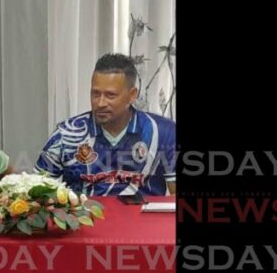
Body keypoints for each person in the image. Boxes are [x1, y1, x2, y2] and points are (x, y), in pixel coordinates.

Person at [36, 53, 176, 196]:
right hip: (84, 217)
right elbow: (37, 192)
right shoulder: (67, 134)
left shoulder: (164, 132)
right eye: (95, 94)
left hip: (143, 217)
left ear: (132, 95)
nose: (100, 103)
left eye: (110, 95)